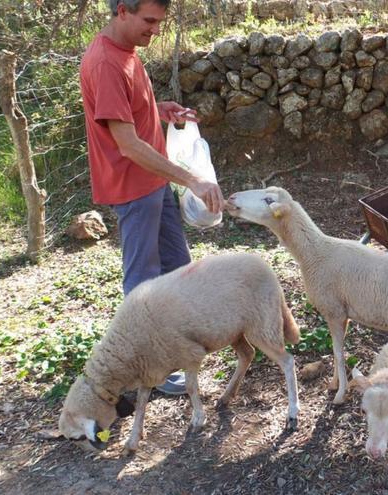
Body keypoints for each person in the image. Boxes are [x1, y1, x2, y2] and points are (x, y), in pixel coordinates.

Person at [80, 0, 224, 394]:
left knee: (177, 266)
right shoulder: (106, 63)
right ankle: (147, 368)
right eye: (149, 21)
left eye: (160, 22)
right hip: (133, 185)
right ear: (122, 11)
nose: (155, 30)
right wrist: (192, 180)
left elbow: (125, 113)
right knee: (143, 282)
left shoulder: (125, 52)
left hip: (152, 182)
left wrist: (159, 111)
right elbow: (126, 144)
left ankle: (176, 347)